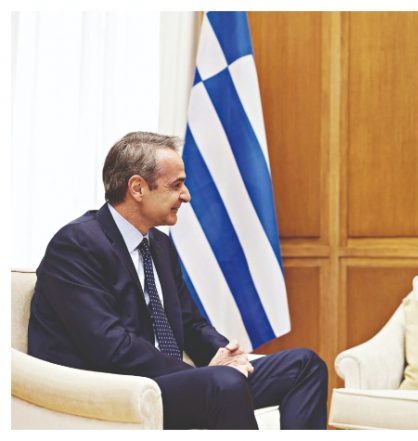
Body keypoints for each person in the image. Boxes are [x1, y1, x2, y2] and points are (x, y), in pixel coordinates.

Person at [28, 131, 328, 429]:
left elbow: (190, 323)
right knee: (223, 384)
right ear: (138, 188)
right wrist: (194, 373)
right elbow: (110, 347)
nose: (186, 195)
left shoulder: (159, 245)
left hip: (167, 384)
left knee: (305, 365)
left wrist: (225, 354)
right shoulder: (76, 244)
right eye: (176, 185)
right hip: (114, 391)